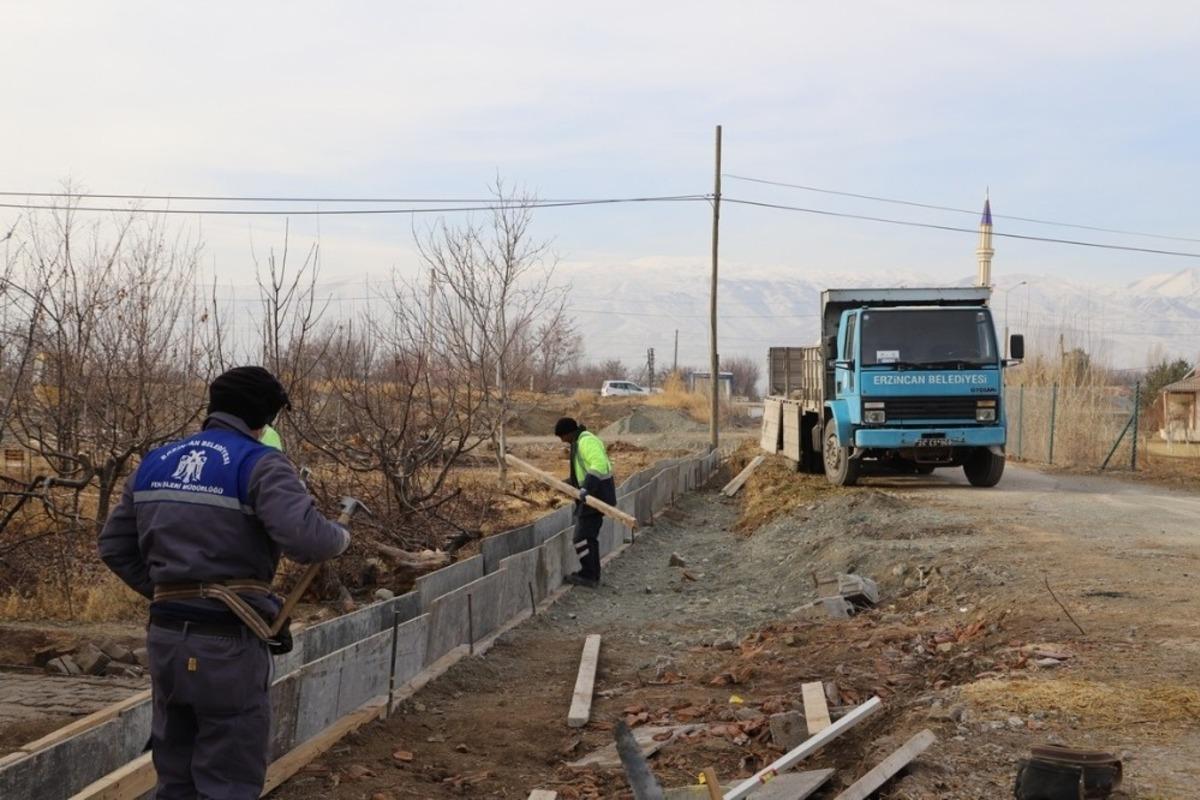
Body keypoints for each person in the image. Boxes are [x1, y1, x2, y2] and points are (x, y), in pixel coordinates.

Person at [98, 366, 349, 800]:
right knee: (228, 778)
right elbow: (310, 541)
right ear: (265, 419)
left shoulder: (155, 463)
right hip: (227, 647)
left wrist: (170, 592)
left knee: (175, 774)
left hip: (166, 640)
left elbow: (115, 548)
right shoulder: (260, 464)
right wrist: (341, 537)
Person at [554, 417, 616, 588]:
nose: (562, 441)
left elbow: (599, 465)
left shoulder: (586, 442)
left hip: (595, 496)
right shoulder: (579, 441)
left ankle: (589, 575)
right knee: (588, 537)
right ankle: (592, 574)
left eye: (562, 437)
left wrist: (586, 488)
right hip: (593, 495)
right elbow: (583, 471)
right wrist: (568, 484)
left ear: (569, 433)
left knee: (581, 537)